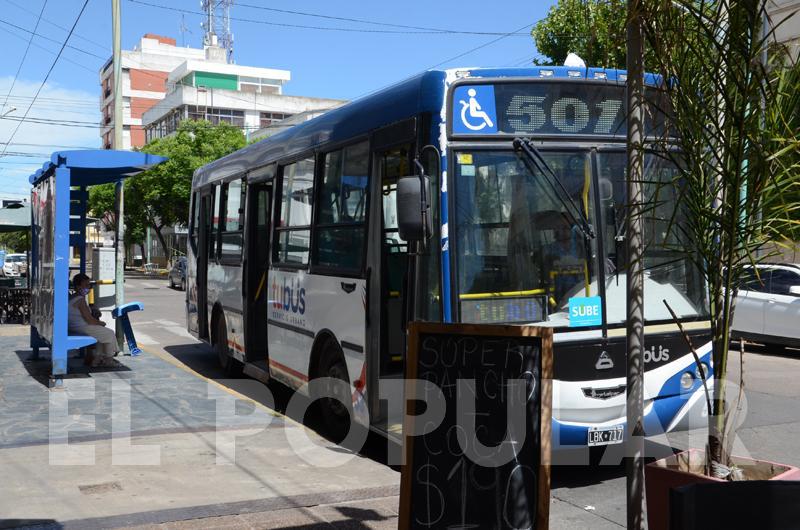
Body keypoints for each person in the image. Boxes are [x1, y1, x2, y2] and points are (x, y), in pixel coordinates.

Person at [69, 273, 118, 367]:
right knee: (109, 333)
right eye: (86, 285)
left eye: (89, 285)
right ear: (78, 286)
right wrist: (101, 323)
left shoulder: (72, 297)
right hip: (82, 327)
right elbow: (90, 320)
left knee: (101, 335)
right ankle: (109, 359)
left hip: (74, 326)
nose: (88, 288)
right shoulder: (80, 300)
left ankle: (96, 359)